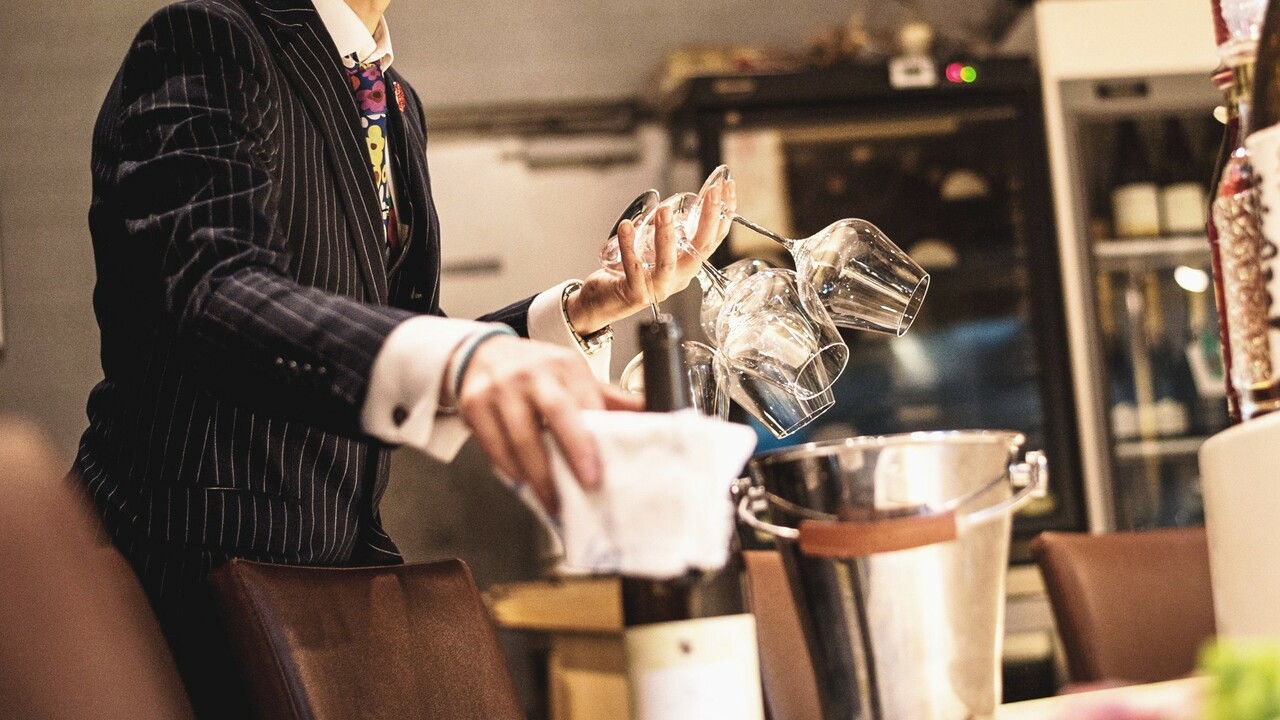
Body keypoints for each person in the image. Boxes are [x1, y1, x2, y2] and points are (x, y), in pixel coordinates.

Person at [74, 0, 731, 714]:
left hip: (327, 591)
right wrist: (463, 358)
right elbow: (209, 289)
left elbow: (403, 338)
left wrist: (578, 309)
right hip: (180, 592)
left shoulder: (393, 101)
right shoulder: (209, 40)